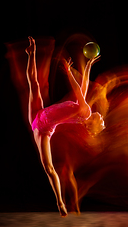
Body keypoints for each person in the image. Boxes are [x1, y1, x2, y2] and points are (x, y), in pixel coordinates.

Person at [25, 36, 105, 217]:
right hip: (40, 113)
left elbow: (79, 89)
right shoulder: (84, 110)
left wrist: (69, 72)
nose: (101, 116)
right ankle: (31, 53)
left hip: (43, 128)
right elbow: (83, 88)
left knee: (49, 167)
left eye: (100, 119)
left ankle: (60, 202)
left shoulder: (84, 112)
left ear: (93, 121)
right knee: (34, 84)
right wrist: (89, 66)